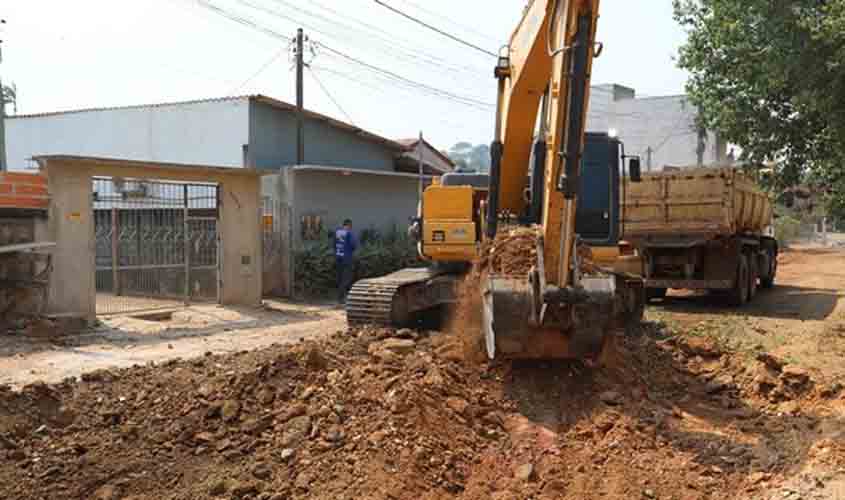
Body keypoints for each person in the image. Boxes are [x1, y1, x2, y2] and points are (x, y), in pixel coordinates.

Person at [334, 219, 358, 303]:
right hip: (347, 259)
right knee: (346, 278)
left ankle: (340, 297)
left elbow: (334, 245)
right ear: (349, 225)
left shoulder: (337, 232)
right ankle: (341, 298)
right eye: (350, 226)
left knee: (340, 278)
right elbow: (353, 245)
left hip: (338, 258)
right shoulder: (349, 233)